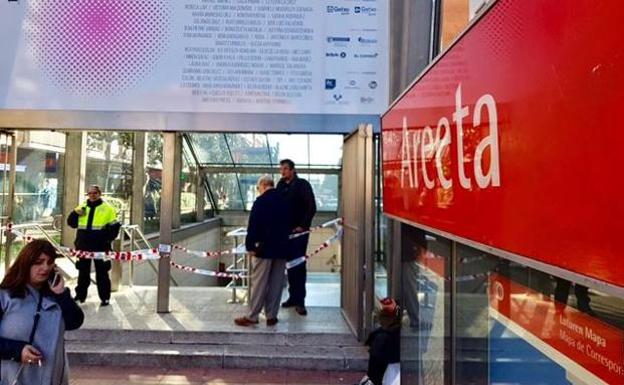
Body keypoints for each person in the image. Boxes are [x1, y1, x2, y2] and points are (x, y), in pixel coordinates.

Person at [0, 239, 84, 385]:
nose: (45, 268)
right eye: (38, 262)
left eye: (50, 262)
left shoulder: (56, 295)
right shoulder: (5, 295)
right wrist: (17, 351)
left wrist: (61, 294)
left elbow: (75, 322)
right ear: (26, 264)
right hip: (13, 378)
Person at [234, 176, 291, 327]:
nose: (258, 191)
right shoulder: (285, 201)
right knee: (276, 283)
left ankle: (253, 316)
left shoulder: (261, 202)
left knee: (259, 283)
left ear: (263, 185)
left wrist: (250, 246)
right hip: (282, 249)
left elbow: (254, 225)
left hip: (264, 249)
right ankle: (271, 316)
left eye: (258, 188)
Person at [67, 185, 120, 306]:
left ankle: (105, 298)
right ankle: (80, 296)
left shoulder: (107, 209)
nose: (92, 195)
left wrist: (105, 239)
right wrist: (75, 213)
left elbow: (115, 228)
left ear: (99, 193)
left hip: (101, 247)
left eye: (94, 193)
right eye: (89, 193)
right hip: (83, 246)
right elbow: (71, 223)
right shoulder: (82, 207)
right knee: (83, 273)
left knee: (102, 273)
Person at [277, 159, 316, 316]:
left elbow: (311, 207)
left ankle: (300, 301)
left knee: (299, 266)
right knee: (290, 266)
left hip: (299, 233)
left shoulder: (302, 185)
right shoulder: (280, 185)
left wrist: (303, 225)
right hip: (285, 233)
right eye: (281, 169)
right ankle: (293, 297)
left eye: (286, 169)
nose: (283, 172)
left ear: (293, 170)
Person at [357, 298, 401, 385]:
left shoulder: (383, 338)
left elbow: (375, 372)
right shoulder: (379, 334)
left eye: (382, 316)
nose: (379, 319)